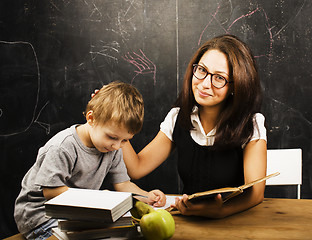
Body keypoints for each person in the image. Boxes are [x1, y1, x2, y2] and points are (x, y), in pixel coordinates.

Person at [121, 34, 267, 218]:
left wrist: (221, 211)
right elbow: (137, 168)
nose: (205, 84)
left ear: (235, 86)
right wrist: (113, 122)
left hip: (234, 222)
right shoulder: (178, 117)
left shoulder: (251, 124)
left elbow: (256, 193)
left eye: (219, 78)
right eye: (202, 70)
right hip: (188, 220)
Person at [14, 82, 166, 240]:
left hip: (76, 213)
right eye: (112, 137)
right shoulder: (63, 147)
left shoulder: (112, 149)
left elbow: (123, 184)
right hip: (41, 215)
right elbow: (51, 192)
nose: (117, 145)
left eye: (125, 141)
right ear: (91, 119)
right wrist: (99, 198)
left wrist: (147, 196)